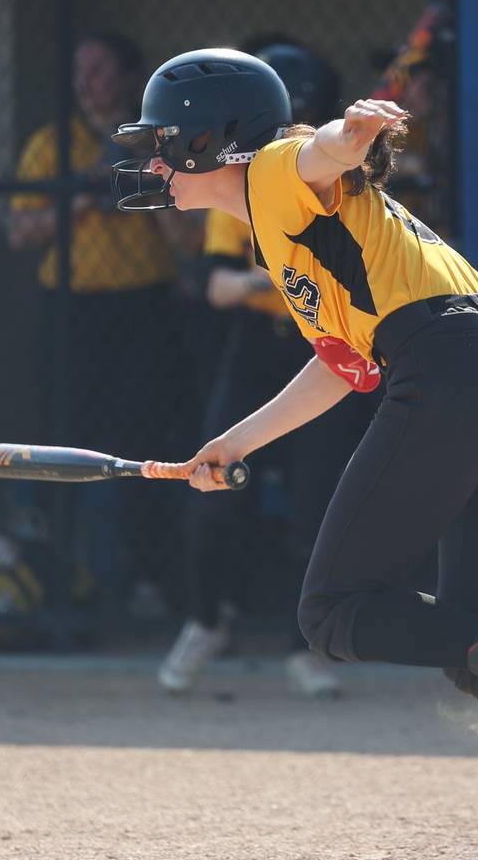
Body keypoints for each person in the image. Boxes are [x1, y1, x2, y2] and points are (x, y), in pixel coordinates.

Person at [113, 48, 478, 860]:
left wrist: (354, 130)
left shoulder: (273, 171)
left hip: (455, 367)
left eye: (167, 141)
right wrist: (233, 443)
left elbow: (317, 150)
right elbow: (342, 365)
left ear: (216, 138)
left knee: (333, 611)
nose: (155, 160)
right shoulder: (284, 229)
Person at [158, 43, 369, 699]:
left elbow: (324, 158)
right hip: (260, 350)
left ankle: (302, 646)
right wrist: (278, 278)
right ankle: (204, 619)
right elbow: (219, 284)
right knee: (211, 495)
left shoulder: (316, 174)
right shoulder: (244, 191)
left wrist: (276, 279)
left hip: (329, 348)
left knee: (317, 509)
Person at [7, 34, 199, 624]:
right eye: (78, 70)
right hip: (70, 308)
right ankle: (58, 580)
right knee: (59, 432)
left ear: (129, 78)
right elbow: (20, 233)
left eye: (98, 70)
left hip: (142, 310)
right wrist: (88, 192)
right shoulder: (52, 143)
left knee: (145, 442)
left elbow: (189, 244)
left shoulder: (161, 142)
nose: (85, 82)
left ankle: (146, 577)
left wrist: (147, 184)